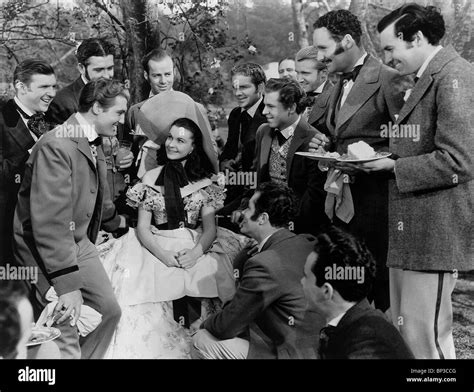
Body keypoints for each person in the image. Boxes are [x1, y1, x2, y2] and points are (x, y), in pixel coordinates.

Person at [357, 3, 474, 359]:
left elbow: (459, 160)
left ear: (418, 38)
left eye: (390, 47)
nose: (387, 58)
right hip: (412, 234)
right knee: (409, 337)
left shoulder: (455, 76)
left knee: (428, 342)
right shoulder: (430, 77)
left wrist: (392, 167)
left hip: (435, 234)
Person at [99, 94, 250, 358]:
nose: (172, 144)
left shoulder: (205, 182)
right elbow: (143, 228)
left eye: (180, 140)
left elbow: (210, 228)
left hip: (194, 243)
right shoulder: (149, 178)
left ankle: (202, 340)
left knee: (209, 273)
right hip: (157, 242)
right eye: (170, 138)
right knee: (141, 282)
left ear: (193, 147)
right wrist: (164, 255)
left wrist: (195, 252)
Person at [13, 79, 128, 359]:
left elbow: (94, 195)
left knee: (108, 312)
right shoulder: (57, 145)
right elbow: (50, 225)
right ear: (98, 108)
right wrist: (67, 286)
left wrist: (121, 223)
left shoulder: (92, 139)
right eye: (119, 113)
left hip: (78, 243)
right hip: (43, 251)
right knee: (65, 325)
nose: (122, 121)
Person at [309, 9, 404, 312]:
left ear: (347, 41)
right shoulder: (337, 81)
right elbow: (340, 132)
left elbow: (409, 144)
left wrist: (376, 159)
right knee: (348, 285)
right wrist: (325, 143)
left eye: (324, 48)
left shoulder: (388, 79)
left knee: (379, 291)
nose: (320, 57)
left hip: (377, 206)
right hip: (342, 201)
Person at [192, 182, 324, 359]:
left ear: (262, 218)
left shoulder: (264, 263)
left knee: (201, 340)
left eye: (248, 208)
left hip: (291, 352)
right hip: (318, 343)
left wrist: (205, 322)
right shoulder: (307, 241)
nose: (243, 213)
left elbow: (226, 327)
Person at [46, 38, 133, 228]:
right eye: (99, 70)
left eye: (110, 68)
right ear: (81, 68)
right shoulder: (64, 102)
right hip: (85, 208)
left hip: (117, 193)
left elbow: (122, 131)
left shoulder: (117, 94)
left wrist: (122, 151)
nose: (107, 75)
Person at [301, 226, 414, 359]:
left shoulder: (367, 341)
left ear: (327, 291)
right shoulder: (354, 324)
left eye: (306, 276)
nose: (302, 282)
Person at [254, 78, 328, 235]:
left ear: (291, 107)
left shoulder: (314, 140)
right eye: (264, 105)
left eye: (271, 107)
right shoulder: (263, 132)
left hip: (300, 229)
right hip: (265, 220)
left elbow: (313, 200)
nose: (264, 112)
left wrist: (279, 232)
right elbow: (258, 181)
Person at [0, 59, 56, 264]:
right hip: (8, 230)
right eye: (44, 87)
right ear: (20, 87)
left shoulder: (51, 119)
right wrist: (34, 152)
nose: (52, 93)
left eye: (53, 86)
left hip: (46, 228)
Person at [124, 48, 175, 179]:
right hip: (144, 185)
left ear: (174, 72)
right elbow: (126, 149)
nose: (163, 81)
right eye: (157, 75)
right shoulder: (135, 112)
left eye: (168, 74)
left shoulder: (190, 107)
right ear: (146, 76)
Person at [219, 63, 267, 173]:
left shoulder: (270, 114)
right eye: (235, 88)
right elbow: (230, 147)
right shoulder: (235, 114)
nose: (237, 93)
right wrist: (224, 162)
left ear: (260, 87)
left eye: (244, 87)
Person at [294, 46, 333, 133]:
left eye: (305, 73)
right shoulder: (294, 97)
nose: (299, 79)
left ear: (324, 73)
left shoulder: (336, 99)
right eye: (297, 73)